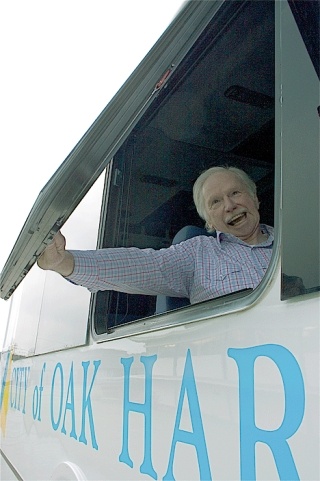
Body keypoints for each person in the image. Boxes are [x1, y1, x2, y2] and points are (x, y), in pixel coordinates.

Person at [37, 166, 274, 304]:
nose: (230, 205)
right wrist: (65, 262)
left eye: (235, 193)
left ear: (254, 198)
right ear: (209, 220)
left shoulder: (300, 239)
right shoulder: (198, 253)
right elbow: (139, 265)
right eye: (216, 202)